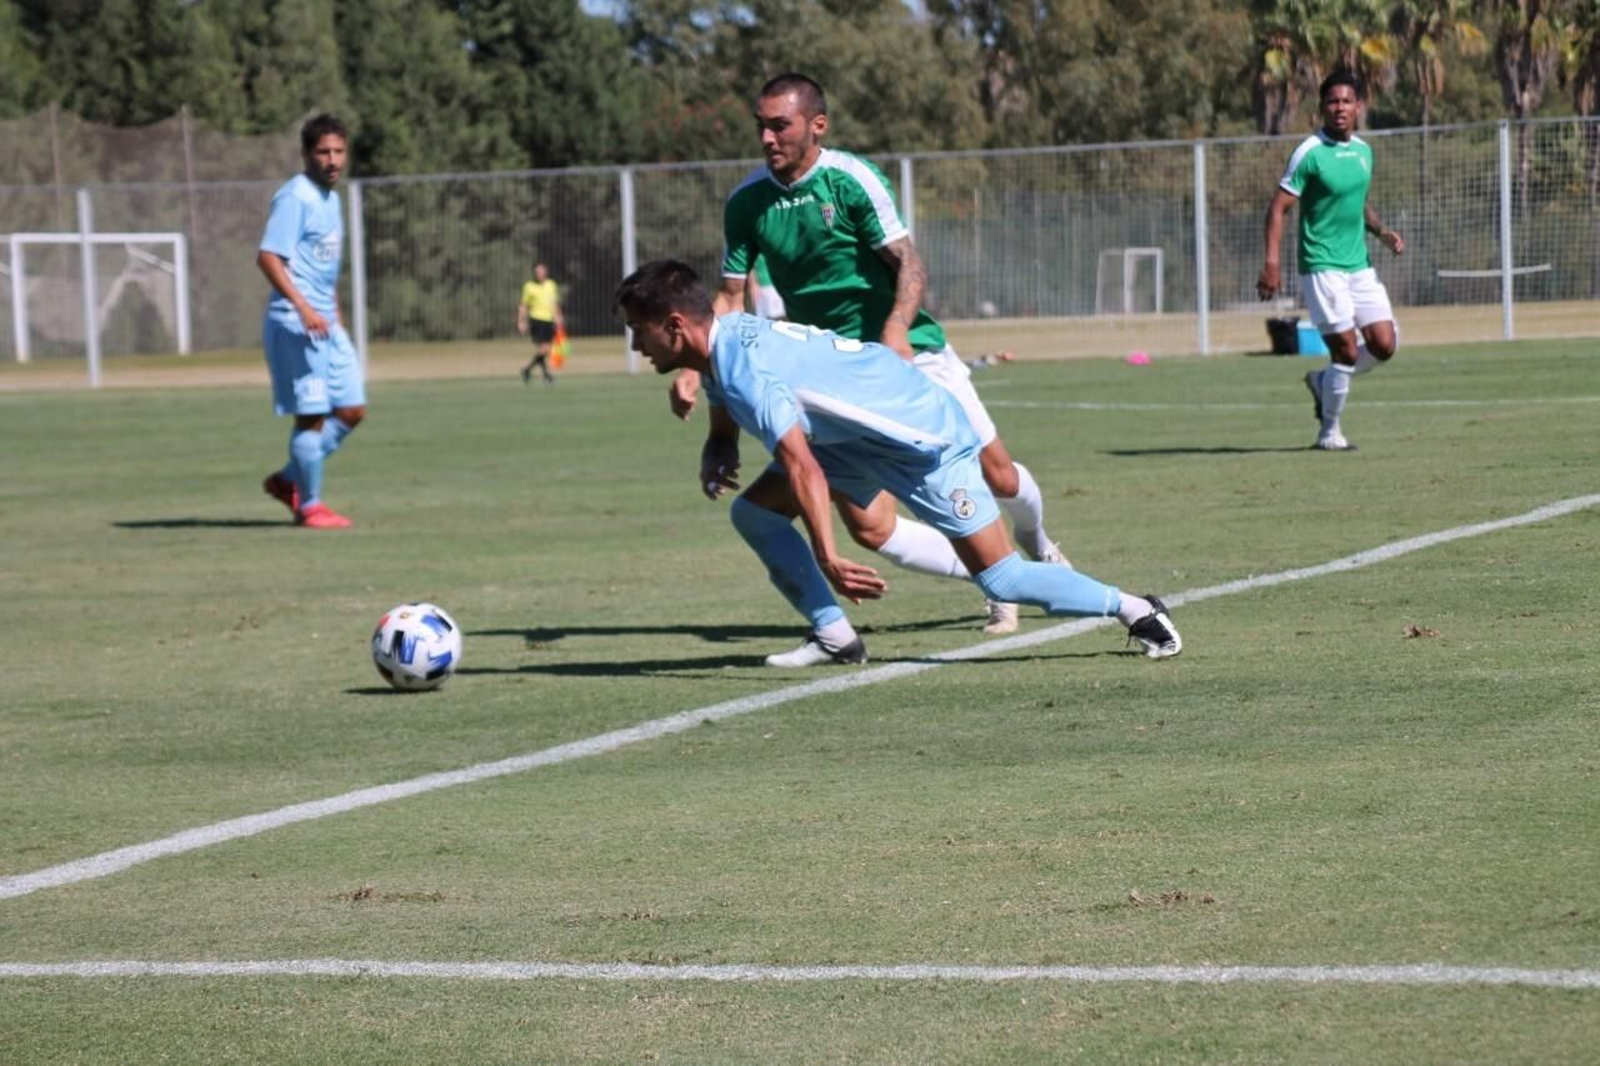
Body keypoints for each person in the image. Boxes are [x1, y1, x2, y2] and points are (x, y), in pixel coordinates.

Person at [620, 260, 1181, 665]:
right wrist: (720, 442)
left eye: (636, 331)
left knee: (1003, 578)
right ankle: (835, 635)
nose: (635, 346)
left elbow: (802, 468)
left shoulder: (743, 364)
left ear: (674, 326)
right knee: (756, 514)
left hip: (924, 442)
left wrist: (828, 554)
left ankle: (1133, 607)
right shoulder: (726, 338)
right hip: (852, 442)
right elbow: (729, 395)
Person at [670, 73, 1068, 638]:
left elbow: (908, 262)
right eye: (760, 126)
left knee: (997, 476)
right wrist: (693, 363)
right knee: (869, 526)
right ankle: (999, 582)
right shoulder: (747, 203)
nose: (766, 137)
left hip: (905, 352)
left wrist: (898, 329)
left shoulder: (851, 180)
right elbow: (730, 298)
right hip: (830, 374)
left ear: (817, 125)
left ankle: (1037, 546)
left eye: (778, 125)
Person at [1258, 69, 1404, 452]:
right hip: (1322, 266)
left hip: (1359, 264)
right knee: (1345, 350)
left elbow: (1356, 202)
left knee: (1386, 344)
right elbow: (1278, 209)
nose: (1339, 108)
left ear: (1358, 106)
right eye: (1332, 101)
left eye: (1346, 101)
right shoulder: (1309, 153)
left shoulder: (1363, 152)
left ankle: (1323, 383)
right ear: (1322, 108)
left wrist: (1380, 230)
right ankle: (1329, 432)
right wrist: (1271, 263)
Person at [257, 113, 363, 529]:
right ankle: (310, 505)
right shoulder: (296, 196)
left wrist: (330, 306)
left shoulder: (331, 199)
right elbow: (268, 257)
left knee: (352, 410)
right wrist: (303, 307)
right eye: (323, 152)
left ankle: (288, 480)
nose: (332, 160)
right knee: (312, 416)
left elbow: (321, 265)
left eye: (338, 151)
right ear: (305, 155)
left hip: (325, 323)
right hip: (296, 321)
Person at [517, 262, 564, 385]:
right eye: (537, 272)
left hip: (549, 320)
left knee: (544, 350)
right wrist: (521, 321)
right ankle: (537, 372)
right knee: (545, 348)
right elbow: (523, 305)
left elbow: (555, 304)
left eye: (542, 271)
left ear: (546, 272)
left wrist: (558, 317)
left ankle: (531, 371)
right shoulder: (529, 286)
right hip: (536, 320)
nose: (540, 274)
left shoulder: (551, 285)